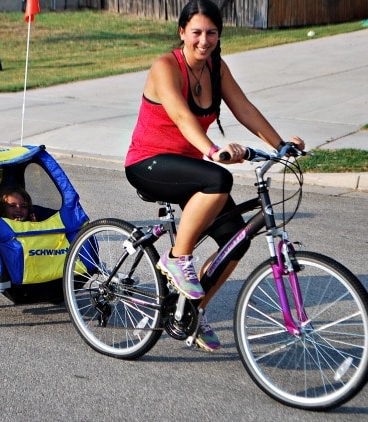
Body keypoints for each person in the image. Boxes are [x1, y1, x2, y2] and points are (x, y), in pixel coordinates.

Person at [124, 0, 304, 352]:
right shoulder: (165, 67)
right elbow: (180, 116)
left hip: (190, 168)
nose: (204, 40)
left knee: (238, 237)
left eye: (211, 33)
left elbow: (245, 108)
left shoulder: (216, 68)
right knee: (218, 179)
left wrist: (281, 145)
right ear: (182, 33)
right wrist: (212, 150)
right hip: (149, 162)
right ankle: (177, 259)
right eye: (196, 32)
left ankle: (191, 312)